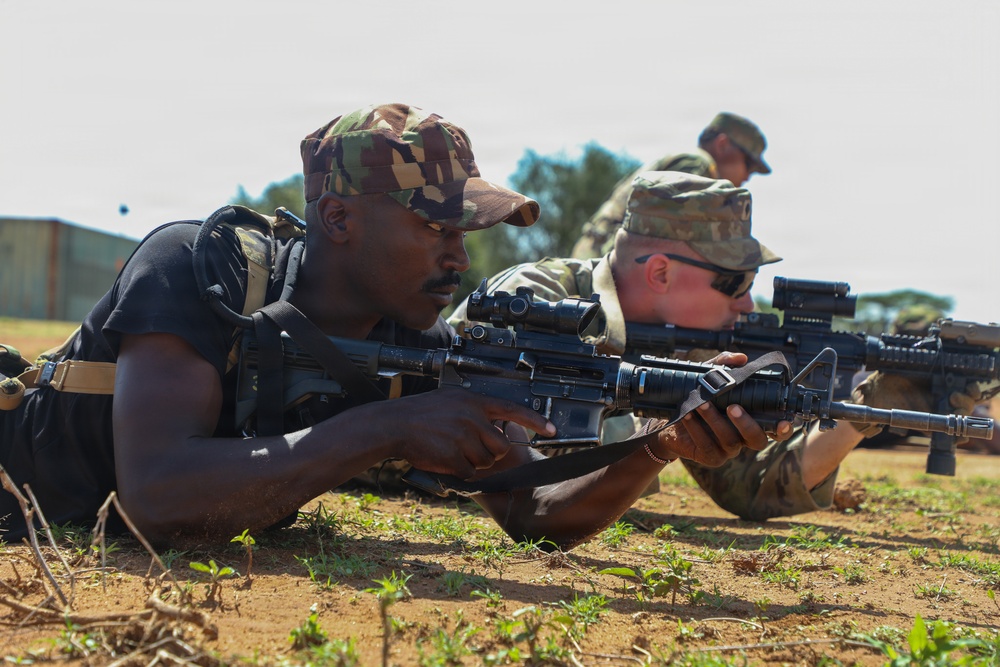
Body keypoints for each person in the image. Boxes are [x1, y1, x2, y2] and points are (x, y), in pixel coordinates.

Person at [0, 104, 781, 548]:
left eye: (464, 232)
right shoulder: (205, 269)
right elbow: (155, 496)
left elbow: (532, 512)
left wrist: (657, 448)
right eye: (433, 227)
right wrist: (388, 427)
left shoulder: (421, 341)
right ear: (337, 218)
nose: (456, 257)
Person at [450, 171, 977, 521]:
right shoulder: (535, 301)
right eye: (736, 281)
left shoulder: (696, 354)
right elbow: (526, 489)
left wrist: (865, 412)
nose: (750, 304)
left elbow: (752, 485)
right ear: (660, 272)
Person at [571, 112, 771, 259]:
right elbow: (666, 239)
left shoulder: (685, 159)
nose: (747, 176)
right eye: (749, 165)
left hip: (598, 259)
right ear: (722, 145)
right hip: (604, 267)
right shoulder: (698, 165)